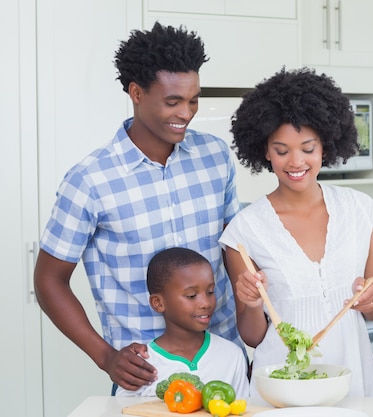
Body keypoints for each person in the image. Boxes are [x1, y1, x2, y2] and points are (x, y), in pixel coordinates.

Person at [33, 21, 245, 393]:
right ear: (136, 92)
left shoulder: (215, 156)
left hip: (226, 359)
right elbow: (49, 280)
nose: (186, 113)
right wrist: (105, 357)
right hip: (147, 374)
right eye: (172, 101)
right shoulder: (90, 180)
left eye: (193, 99)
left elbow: (235, 248)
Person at [218, 67, 373, 400]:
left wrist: (371, 301)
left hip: (352, 385)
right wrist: (252, 304)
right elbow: (252, 336)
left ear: (325, 146)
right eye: (282, 150)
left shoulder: (361, 211)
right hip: (282, 390)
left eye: (307, 148)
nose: (295, 162)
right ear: (265, 151)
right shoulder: (245, 229)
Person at [116, 247, 249, 397]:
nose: (206, 303)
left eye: (210, 292)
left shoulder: (232, 355)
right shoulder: (140, 366)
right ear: (158, 303)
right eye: (191, 295)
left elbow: (242, 409)